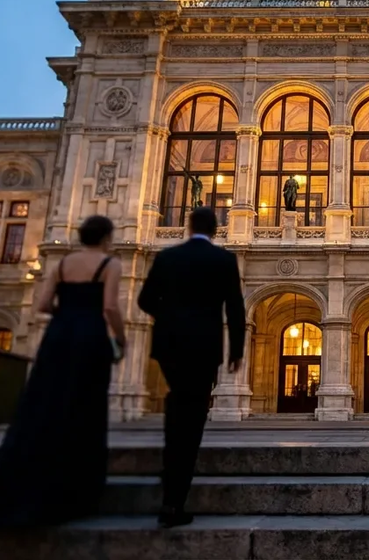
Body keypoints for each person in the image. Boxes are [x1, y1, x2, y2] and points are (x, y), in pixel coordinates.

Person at [0, 215, 126, 527]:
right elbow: (109, 306)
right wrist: (119, 337)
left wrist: (68, 313)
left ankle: (17, 492)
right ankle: (74, 493)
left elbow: (41, 305)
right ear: (107, 237)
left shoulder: (62, 264)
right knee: (84, 407)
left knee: (43, 406)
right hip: (91, 336)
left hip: (59, 336)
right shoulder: (110, 264)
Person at [138, 206, 245, 529]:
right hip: (204, 346)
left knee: (176, 405)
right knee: (193, 416)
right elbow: (236, 309)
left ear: (188, 227)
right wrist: (235, 350)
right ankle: (175, 498)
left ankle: (169, 473)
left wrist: (169, 318)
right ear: (216, 229)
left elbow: (144, 301)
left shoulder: (166, 258)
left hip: (170, 346)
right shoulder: (224, 260)